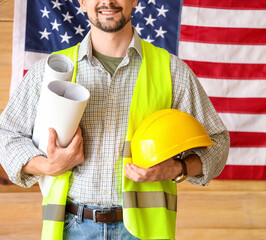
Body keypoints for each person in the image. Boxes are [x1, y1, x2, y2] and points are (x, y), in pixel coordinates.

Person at [0, 0, 230, 239]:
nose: (107, 1)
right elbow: (6, 135)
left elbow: (218, 144)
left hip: (145, 231)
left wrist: (177, 168)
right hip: (71, 229)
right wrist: (48, 166)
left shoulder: (172, 71)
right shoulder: (51, 72)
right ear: (82, 2)